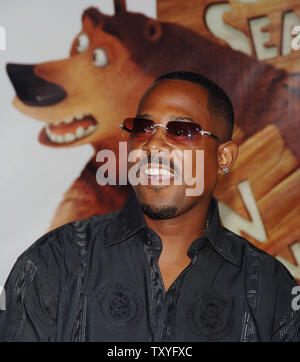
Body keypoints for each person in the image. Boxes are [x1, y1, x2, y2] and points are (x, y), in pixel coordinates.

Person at [0, 71, 299, 342]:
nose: (152, 145)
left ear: (223, 158)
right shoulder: (55, 261)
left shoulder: (270, 289)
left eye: (181, 131)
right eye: (142, 128)